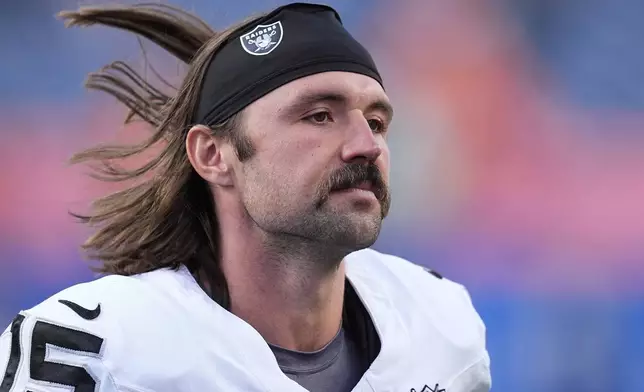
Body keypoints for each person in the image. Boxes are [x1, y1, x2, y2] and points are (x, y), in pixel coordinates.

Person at [0, 3, 491, 392]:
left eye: (377, 122)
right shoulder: (93, 350)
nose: (367, 144)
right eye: (319, 116)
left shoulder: (441, 323)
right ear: (213, 155)